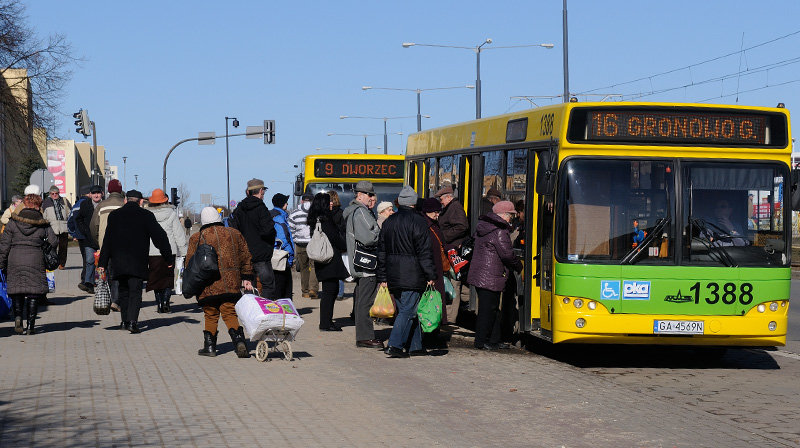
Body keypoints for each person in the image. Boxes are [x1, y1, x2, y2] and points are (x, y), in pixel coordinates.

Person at [97, 190, 172, 334]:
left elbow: (108, 240)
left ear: (125, 200)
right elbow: (160, 237)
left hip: (118, 261)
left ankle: (124, 321)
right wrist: (168, 257)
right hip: (137, 261)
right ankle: (132, 322)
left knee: (123, 291)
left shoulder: (114, 215)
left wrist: (102, 263)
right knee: (135, 292)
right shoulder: (146, 215)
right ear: (141, 202)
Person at [377, 186, 436, 358]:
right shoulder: (419, 221)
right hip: (412, 274)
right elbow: (424, 251)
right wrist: (430, 274)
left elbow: (381, 252)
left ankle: (415, 346)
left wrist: (382, 276)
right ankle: (394, 345)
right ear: (413, 203)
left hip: (393, 274)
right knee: (408, 311)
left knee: (409, 310)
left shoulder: (389, 222)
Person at [187, 207, 254, 358]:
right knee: (229, 311)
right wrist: (247, 276)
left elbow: (190, 263)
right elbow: (246, 256)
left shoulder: (196, 238)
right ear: (218, 218)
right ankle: (239, 342)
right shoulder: (234, 233)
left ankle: (209, 347)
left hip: (207, 283)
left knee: (210, 313)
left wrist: (191, 284)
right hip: (231, 281)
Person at [468, 200, 523, 351]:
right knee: (487, 310)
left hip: (481, 274)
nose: (511, 218)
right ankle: (481, 341)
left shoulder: (485, 226)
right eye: (510, 215)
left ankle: (494, 340)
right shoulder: (499, 231)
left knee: (492, 309)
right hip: (490, 276)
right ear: (503, 215)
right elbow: (507, 254)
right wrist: (519, 266)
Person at [0, 193, 57, 335]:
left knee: (17, 291)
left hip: (15, 259)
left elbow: (4, 245)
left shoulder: (13, 222)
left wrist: (2, 263)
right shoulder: (43, 224)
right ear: (38, 206)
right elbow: (53, 241)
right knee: (33, 293)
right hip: (35, 259)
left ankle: (18, 318)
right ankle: (31, 326)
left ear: (24, 205)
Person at [343, 180, 382, 348]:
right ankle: (365, 337)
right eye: (369, 194)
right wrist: (380, 232)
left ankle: (363, 336)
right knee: (365, 302)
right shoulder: (360, 212)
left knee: (361, 300)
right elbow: (369, 237)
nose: (371, 197)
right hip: (367, 264)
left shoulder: (356, 211)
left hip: (361, 262)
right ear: (360, 195)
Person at [228, 178, 277, 298]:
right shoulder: (261, 208)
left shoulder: (239, 209)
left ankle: (251, 307)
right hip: (261, 254)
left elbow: (234, 229)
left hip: (245, 254)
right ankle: (265, 308)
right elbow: (268, 230)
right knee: (268, 285)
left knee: (249, 285)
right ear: (261, 191)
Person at [308, 193, 349, 331]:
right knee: (329, 291)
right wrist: (344, 244)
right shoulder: (325, 220)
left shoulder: (315, 219)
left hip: (323, 259)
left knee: (330, 290)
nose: (332, 203)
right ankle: (325, 323)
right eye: (329, 201)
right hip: (330, 259)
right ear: (323, 204)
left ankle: (327, 321)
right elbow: (335, 238)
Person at [145, 188, 187, 313]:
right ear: (165, 200)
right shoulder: (172, 214)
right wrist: (184, 252)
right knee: (168, 278)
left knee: (156, 278)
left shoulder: (147, 215)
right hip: (170, 251)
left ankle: (159, 304)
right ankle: (166, 302)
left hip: (152, 252)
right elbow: (178, 235)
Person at [435, 184, 469, 324]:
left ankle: (450, 318)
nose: (441, 202)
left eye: (442, 199)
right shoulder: (451, 207)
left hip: (453, 251)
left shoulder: (455, 207)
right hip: (450, 249)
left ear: (449, 197)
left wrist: (443, 236)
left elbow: (462, 226)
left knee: (454, 283)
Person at [90, 179, 125, 311]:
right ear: (120, 190)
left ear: (109, 190)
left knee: (109, 272)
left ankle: (113, 298)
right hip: (123, 245)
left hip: (105, 244)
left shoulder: (101, 205)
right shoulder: (124, 204)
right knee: (121, 272)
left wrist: (98, 241)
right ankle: (117, 300)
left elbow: (93, 226)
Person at [421, 198, 448, 326]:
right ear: (428, 211)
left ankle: (433, 324)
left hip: (435, 268)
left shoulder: (433, 224)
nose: (437, 214)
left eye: (438, 212)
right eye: (435, 212)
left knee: (435, 299)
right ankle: (430, 325)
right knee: (431, 300)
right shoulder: (426, 225)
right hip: (431, 269)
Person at [289, 192, 318, 299]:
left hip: (300, 244)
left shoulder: (294, 213)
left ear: (302, 201)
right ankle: (313, 289)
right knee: (314, 266)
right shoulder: (317, 212)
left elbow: (291, 229)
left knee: (303, 268)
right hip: (314, 243)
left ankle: (305, 291)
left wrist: (295, 239)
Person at [76, 185, 104, 294]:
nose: (96, 195)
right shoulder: (85, 204)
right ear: (90, 194)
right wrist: (84, 230)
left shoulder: (104, 205)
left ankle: (102, 285)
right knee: (89, 260)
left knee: (101, 263)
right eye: (94, 193)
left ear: (102, 194)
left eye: (98, 193)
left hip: (102, 238)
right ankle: (89, 283)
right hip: (88, 238)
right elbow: (78, 219)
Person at [270, 193, 294, 298]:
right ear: (283, 204)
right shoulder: (280, 219)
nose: (287, 204)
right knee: (285, 291)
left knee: (275, 289)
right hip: (282, 259)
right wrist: (291, 258)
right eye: (286, 202)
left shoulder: (270, 215)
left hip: (272, 257)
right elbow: (284, 240)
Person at [41, 186, 72, 270]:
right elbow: (43, 216)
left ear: (59, 193)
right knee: (52, 246)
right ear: (50, 194)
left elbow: (70, 213)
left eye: (56, 193)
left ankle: (62, 264)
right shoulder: (46, 202)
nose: (54, 195)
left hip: (63, 227)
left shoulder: (64, 200)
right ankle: (53, 262)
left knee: (63, 247)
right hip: (51, 227)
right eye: (52, 194)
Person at [328, 190, 346, 300]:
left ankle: (332, 290)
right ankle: (340, 292)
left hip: (328, 244)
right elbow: (344, 229)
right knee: (339, 267)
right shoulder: (341, 212)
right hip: (339, 243)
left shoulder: (326, 213)